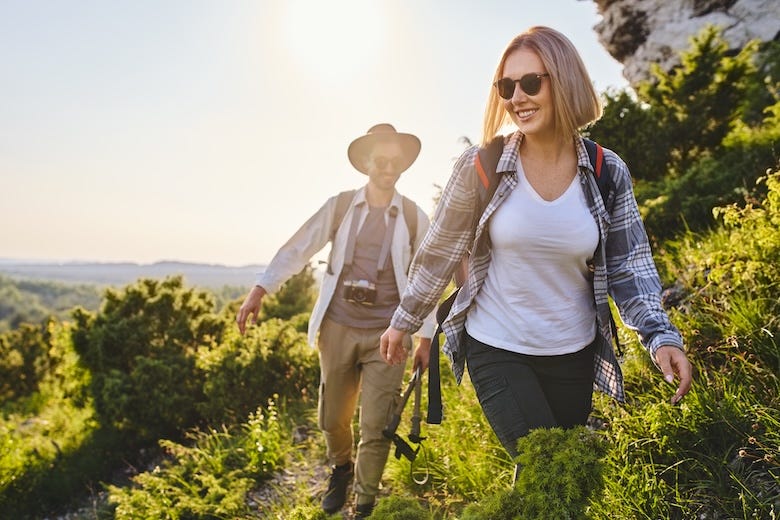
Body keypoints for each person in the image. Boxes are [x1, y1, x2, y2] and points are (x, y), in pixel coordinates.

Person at [380, 26, 692, 460]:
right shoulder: (480, 166)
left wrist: (661, 337)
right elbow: (440, 251)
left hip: (574, 354)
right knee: (543, 467)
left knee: (554, 480)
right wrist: (404, 320)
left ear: (564, 80)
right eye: (507, 86)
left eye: (530, 83)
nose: (516, 98)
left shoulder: (606, 171)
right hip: (497, 346)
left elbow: (629, 268)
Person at [236, 123, 435, 518]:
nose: (389, 168)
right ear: (366, 163)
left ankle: (364, 502)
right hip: (338, 327)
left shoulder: (415, 217)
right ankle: (341, 467)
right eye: (381, 160)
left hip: (390, 335)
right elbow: (300, 245)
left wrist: (426, 338)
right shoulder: (340, 206)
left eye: (396, 161)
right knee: (331, 419)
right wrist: (261, 289)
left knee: (377, 424)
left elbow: (427, 277)